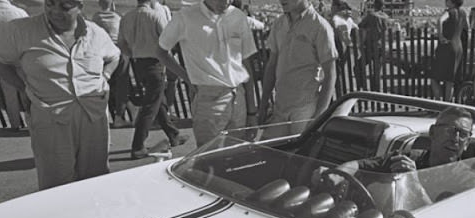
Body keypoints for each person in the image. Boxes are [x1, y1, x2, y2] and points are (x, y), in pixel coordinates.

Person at [0, 0, 120, 190]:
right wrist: (23, 88)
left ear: (80, 6)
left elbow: (114, 56)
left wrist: (105, 76)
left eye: (65, 6)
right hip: (50, 117)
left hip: (93, 117)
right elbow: (2, 62)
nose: (55, 11)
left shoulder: (95, 32)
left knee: (97, 182)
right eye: (50, 4)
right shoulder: (21, 30)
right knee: (55, 185)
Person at [317, 107, 475, 205]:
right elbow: (358, 164)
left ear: (467, 142)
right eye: (450, 130)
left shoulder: (469, 180)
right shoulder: (410, 158)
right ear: (432, 132)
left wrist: (413, 181)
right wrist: (337, 174)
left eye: (463, 134)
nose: (455, 139)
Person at [157, 0, 258, 147]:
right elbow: (161, 51)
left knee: (237, 158)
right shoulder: (186, 17)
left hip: (239, 98)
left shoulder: (238, 16)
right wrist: (188, 78)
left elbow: (246, 64)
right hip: (209, 101)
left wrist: (252, 112)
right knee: (208, 160)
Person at [119, 0, 188, 159]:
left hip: (138, 64)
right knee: (151, 104)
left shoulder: (126, 17)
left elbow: (121, 44)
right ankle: (138, 146)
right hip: (155, 62)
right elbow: (167, 41)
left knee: (158, 100)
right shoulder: (155, 16)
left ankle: (174, 135)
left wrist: (133, 53)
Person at [257, 0, 338, 135]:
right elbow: (272, 65)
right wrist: (264, 102)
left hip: (306, 109)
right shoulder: (279, 24)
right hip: (280, 106)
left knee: (299, 153)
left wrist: (319, 115)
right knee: (269, 152)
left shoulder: (320, 26)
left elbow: (330, 74)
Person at [92, 0, 133, 128]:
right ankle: (119, 116)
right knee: (122, 85)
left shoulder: (96, 17)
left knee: (108, 85)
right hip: (119, 52)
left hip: (104, 54)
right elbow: (125, 36)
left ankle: (112, 115)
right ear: (112, 4)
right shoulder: (118, 16)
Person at [430, 0, 469, 101]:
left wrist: (440, 36)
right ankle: (447, 105)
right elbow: (467, 26)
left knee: (434, 78)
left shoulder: (448, 12)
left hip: (447, 47)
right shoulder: (463, 13)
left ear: (452, 2)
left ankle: (438, 103)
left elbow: (440, 20)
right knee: (450, 80)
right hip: (458, 46)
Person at [0, 0, 28, 131]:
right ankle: (31, 122)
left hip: (2, 58)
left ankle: (15, 124)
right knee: (25, 89)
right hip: (21, 57)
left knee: (9, 93)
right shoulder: (19, 12)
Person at [357, 0, 390, 91]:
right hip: (380, 46)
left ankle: (362, 86)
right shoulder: (386, 17)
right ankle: (376, 90)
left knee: (358, 66)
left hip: (369, 46)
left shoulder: (371, 15)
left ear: (374, 5)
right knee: (376, 71)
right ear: (383, 6)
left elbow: (360, 25)